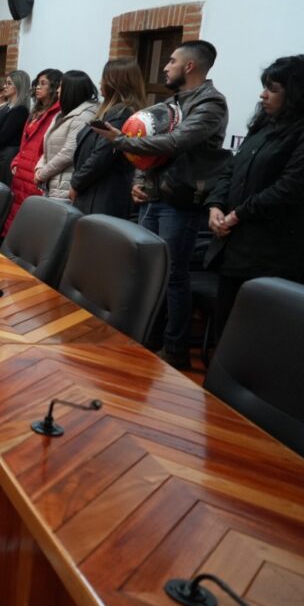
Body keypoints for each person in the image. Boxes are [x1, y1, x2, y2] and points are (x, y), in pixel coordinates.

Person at [92, 40, 228, 368]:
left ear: (190, 66)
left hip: (180, 201)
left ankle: (175, 349)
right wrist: (138, 180)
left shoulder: (211, 103)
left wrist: (121, 140)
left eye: (171, 61)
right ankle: (147, 336)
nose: (165, 67)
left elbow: (175, 142)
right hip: (154, 196)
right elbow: (151, 155)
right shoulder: (174, 102)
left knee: (173, 275)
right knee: (148, 269)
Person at [205, 55, 304, 332]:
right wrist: (215, 206)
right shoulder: (263, 123)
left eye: (272, 89)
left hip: (272, 254)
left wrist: (237, 215)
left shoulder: (300, 131)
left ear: (296, 93)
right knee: (226, 329)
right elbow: (231, 170)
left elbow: (289, 188)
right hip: (234, 249)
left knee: (258, 335)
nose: (263, 95)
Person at [69, 59, 146, 217]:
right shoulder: (111, 111)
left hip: (102, 194)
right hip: (95, 190)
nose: (100, 82)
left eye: (104, 78)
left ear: (115, 83)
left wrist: (76, 183)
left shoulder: (121, 114)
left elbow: (101, 156)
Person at [4, 68, 62, 234]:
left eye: (43, 84)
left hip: (34, 170)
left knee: (28, 215)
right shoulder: (36, 111)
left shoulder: (57, 113)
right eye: (37, 83)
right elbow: (24, 142)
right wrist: (16, 160)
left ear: (54, 87)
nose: (37, 87)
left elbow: (50, 146)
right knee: (15, 210)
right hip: (22, 166)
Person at [35, 70, 98, 199]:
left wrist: (42, 174)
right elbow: (47, 145)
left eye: (61, 87)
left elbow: (69, 152)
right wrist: (39, 167)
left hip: (64, 188)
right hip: (52, 184)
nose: (58, 90)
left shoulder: (83, 116)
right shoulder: (62, 114)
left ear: (72, 90)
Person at [0, 69, 31, 185]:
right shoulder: (6, 108)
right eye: (6, 83)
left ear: (18, 86)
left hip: (6, 156)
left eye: (9, 83)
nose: (5, 86)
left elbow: (4, 136)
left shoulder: (20, 110)